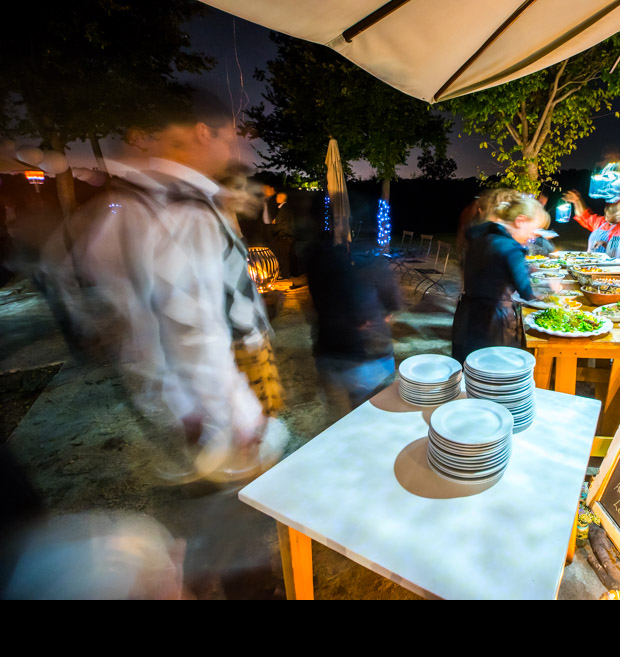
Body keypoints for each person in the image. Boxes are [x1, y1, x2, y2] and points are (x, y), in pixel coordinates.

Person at [42, 90, 284, 483]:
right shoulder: (185, 208)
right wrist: (245, 425)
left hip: (184, 407)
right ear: (203, 132)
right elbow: (195, 331)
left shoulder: (121, 205)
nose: (233, 150)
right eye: (229, 138)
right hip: (228, 397)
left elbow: (131, 317)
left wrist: (182, 412)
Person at [299, 233, 402, 421]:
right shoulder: (373, 263)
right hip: (365, 358)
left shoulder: (317, 259)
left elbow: (311, 308)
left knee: (339, 421)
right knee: (371, 419)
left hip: (327, 354)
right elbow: (392, 303)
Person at [451, 192, 549, 363]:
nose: (533, 237)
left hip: (466, 317)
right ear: (520, 221)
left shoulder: (480, 237)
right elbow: (527, 292)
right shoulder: (511, 248)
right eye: (534, 231)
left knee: (468, 368)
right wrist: (550, 287)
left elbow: (492, 272)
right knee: (494, 371)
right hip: (494, 324)